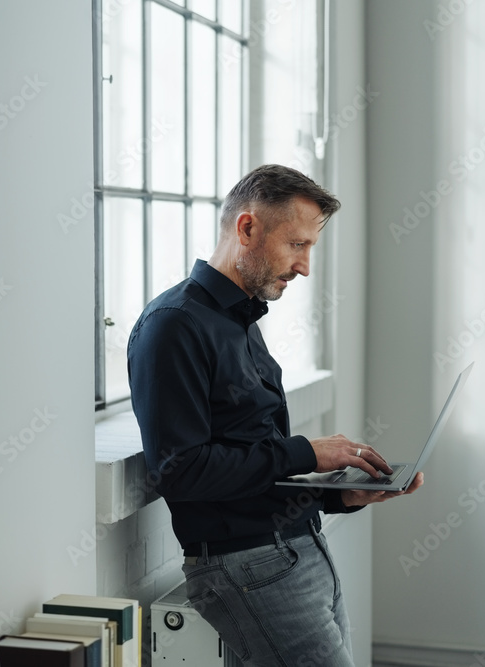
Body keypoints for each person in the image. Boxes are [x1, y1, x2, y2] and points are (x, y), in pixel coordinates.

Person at [126, 164, 422, 666]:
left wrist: (335, 497)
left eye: (309, 248)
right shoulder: (173, 327)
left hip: (297, 550)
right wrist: (308, 451)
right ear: (247, 229)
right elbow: (183, 471)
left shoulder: (238, 318)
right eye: (297, 245)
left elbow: (248, 462)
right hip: (247, 567)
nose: (304, 266)